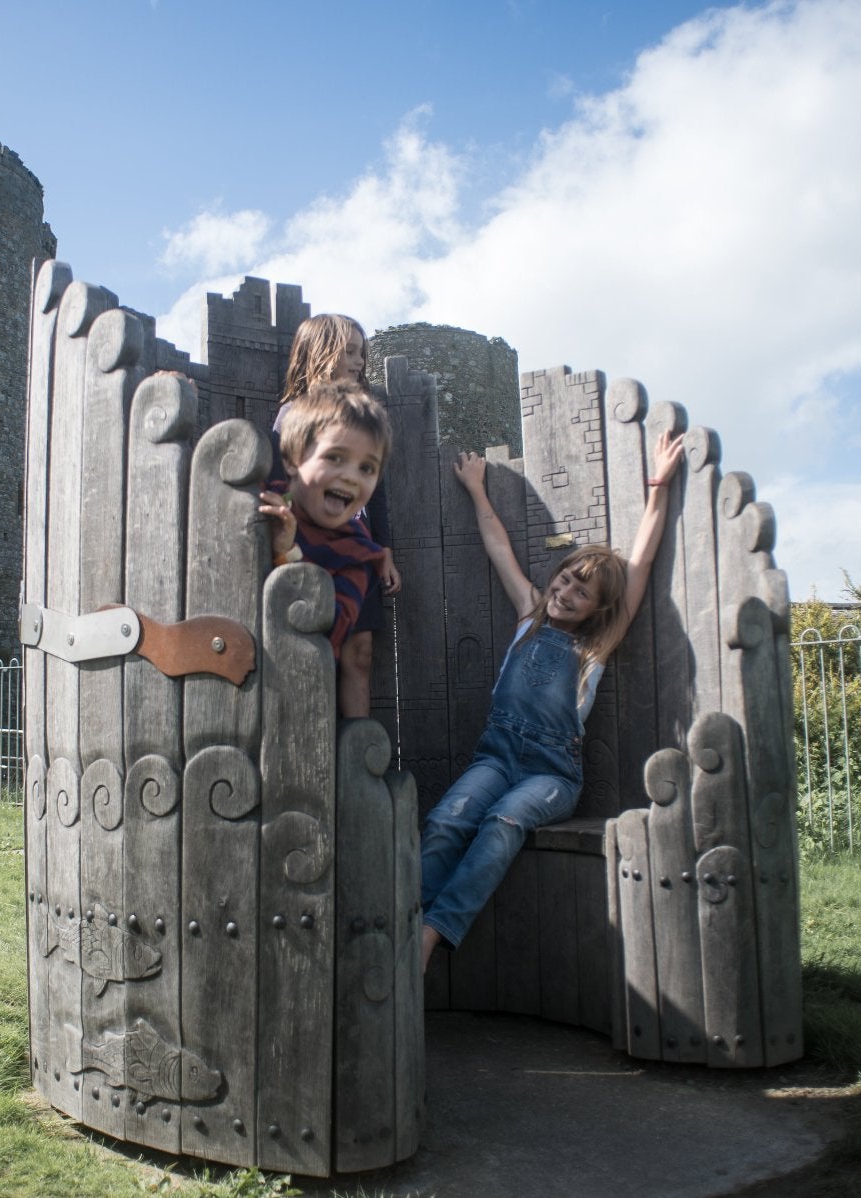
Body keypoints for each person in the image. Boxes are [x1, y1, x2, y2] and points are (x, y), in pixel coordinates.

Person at [420, 429, 686, 972]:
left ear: (596, 609)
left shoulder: (597, 645)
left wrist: (658, 487)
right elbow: (498, 544)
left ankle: (427, 938)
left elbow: (637, 567)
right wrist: (476, 489)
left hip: (551, 775)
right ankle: (398, 921)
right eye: (565, 581)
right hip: (495, 757)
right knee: (449, 819)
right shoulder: (528, 612)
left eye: (580, 593)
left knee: (502, 824)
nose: (565, 594)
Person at [275, 315, 401, 719]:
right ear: (318, 352)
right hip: (311, 550)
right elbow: (283, 483)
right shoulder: (293, 416)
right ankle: (316, 744)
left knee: (359, 653)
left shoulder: (365, 419)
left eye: (361, 352)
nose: (359, 361)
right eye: (349, 350)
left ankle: (357, 754)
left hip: (357, 548)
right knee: (311, 648)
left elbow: (377, 489)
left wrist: (384, 549)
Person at [258, 380, 393, 674]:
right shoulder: (261, 499)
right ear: (293, 460)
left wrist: (287, 555)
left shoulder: (356, 554)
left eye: (367, 468)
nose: (351, 477)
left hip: (295, 687)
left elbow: (327, 629)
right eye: (335, 457)